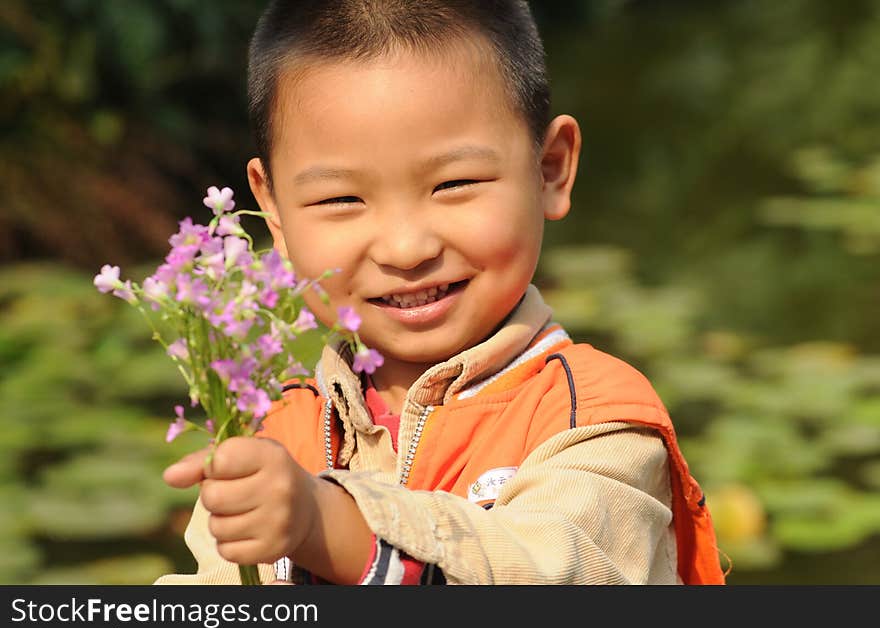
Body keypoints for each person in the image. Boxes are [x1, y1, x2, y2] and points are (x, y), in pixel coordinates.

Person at [155, 0, 725, 586]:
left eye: (454, 184)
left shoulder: (596, 421)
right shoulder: (272, 433)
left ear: (550, 169)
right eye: (341, 199)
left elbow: (558, 576)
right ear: (271, 208)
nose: (405, 249)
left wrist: (328, 524)